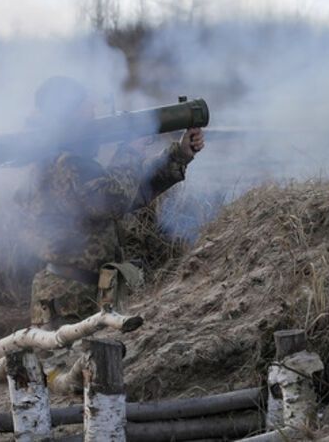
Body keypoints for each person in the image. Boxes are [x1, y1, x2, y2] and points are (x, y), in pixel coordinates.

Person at [17, 76, 205, 329]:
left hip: (82, 291)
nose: (94, 118)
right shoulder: (64, 164)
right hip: (68, 299)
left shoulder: (68, 161)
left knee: (94, 365)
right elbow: (113, 200)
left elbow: (128, 195)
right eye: (87, 112)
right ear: (68, 115)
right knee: (67, 367)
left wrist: (178, 155)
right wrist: (131, 151)